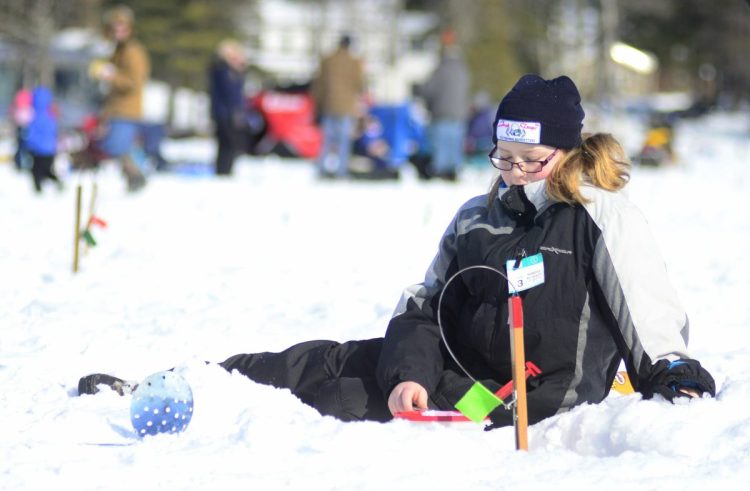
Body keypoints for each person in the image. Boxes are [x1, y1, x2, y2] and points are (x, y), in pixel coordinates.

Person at [78, 74, 716, 427]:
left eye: (531, 160)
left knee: (342, 402)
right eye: (503, 157)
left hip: (515, 400)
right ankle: (193, 383)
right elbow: (424, 306)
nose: (514, 172)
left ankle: (226, 417)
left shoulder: (598, 218)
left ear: (568, 154)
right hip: (457, 370)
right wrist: (409, 370)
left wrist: (675, 374)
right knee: (319, 361)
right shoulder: (478, 216)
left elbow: (649, 312)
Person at [90, 5, 150, 192]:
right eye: (114, 27)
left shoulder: (133, 51)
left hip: (127, 109)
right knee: (113, 145)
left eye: (122, 27)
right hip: (115, 109)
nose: (118, 31)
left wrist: (111, 75)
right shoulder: (117, 50)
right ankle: (133, 178)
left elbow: (134, 81)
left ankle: (137, 176)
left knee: (117, 145)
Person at [419, 28, 470, 181]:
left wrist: (421, 94)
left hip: (441, 112)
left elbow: (429, 89)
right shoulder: (463, 70)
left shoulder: (440, 69)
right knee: (454, 144)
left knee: (440, 144)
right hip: (459, 113)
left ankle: (440, 171)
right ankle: (453, 170)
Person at [311, 35, 365, 179]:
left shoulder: (328, 60)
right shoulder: (354, 62)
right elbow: (360, 85)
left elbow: (319, 86)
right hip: (346, 107)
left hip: (329, 106)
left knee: (327, 140)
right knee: (343, 142)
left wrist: (318, 105)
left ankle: (321, 170)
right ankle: (341, 172)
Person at [208, 39, 247, 176]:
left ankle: (226, 170)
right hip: (224, 112)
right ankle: (223, 170)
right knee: (226, 143)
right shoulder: (222, 70)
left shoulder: (230, 71)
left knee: (230, 143)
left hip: (229, 112)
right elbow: (230, 92)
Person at [25, 86, 62, 193]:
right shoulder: (51, 115)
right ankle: (57, 183)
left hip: (38, 150)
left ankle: (38, 191)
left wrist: (29, 145)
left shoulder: (36, 116)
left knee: (36, 171)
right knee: (46, 170)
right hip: (50, 150)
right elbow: (53, 132)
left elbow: (32, 133)